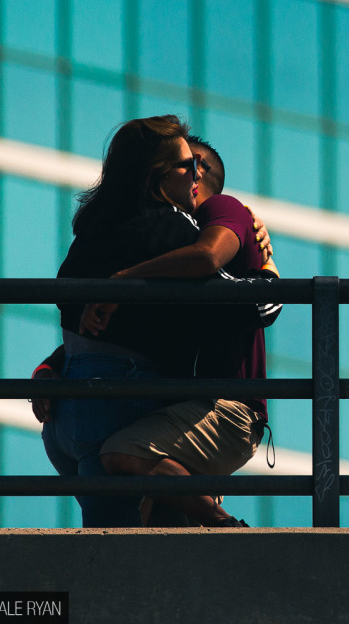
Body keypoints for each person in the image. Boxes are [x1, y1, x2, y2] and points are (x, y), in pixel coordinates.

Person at [40, 115, 276, 527]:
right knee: (134, 550)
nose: (195, 176)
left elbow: (95, 320)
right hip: (123, 398)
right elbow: (245, 304)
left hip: (67, 411)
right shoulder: (172, 225)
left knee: (116, 539)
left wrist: (51, 366)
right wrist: (269, 276)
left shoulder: (92, 230)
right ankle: (221, 524)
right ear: (156, 176)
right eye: (187, 166)